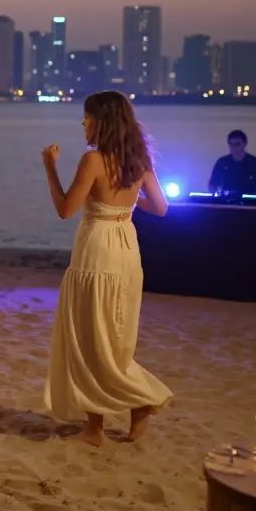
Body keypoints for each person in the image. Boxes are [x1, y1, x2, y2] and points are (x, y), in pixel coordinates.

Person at [40, 90, 173, 447]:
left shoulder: (93, 160)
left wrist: (50, 169)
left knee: (90, 337)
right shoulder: (138, 159)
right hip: (127, 249)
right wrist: (126, 202)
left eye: (86, 117)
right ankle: (130, 408)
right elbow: (161, 208)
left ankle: (105, 423)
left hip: (97, 249)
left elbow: (66, 209)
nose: (82, 123)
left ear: (101, 121)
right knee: (114, 338)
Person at [207, 129, 256, 196]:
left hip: (248, 203)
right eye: (231, 144)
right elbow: (212, 185)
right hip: (225, 202)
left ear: (245, 144)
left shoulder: (255, 164)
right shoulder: (222, 163)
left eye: (237, 144)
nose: (234, 148)